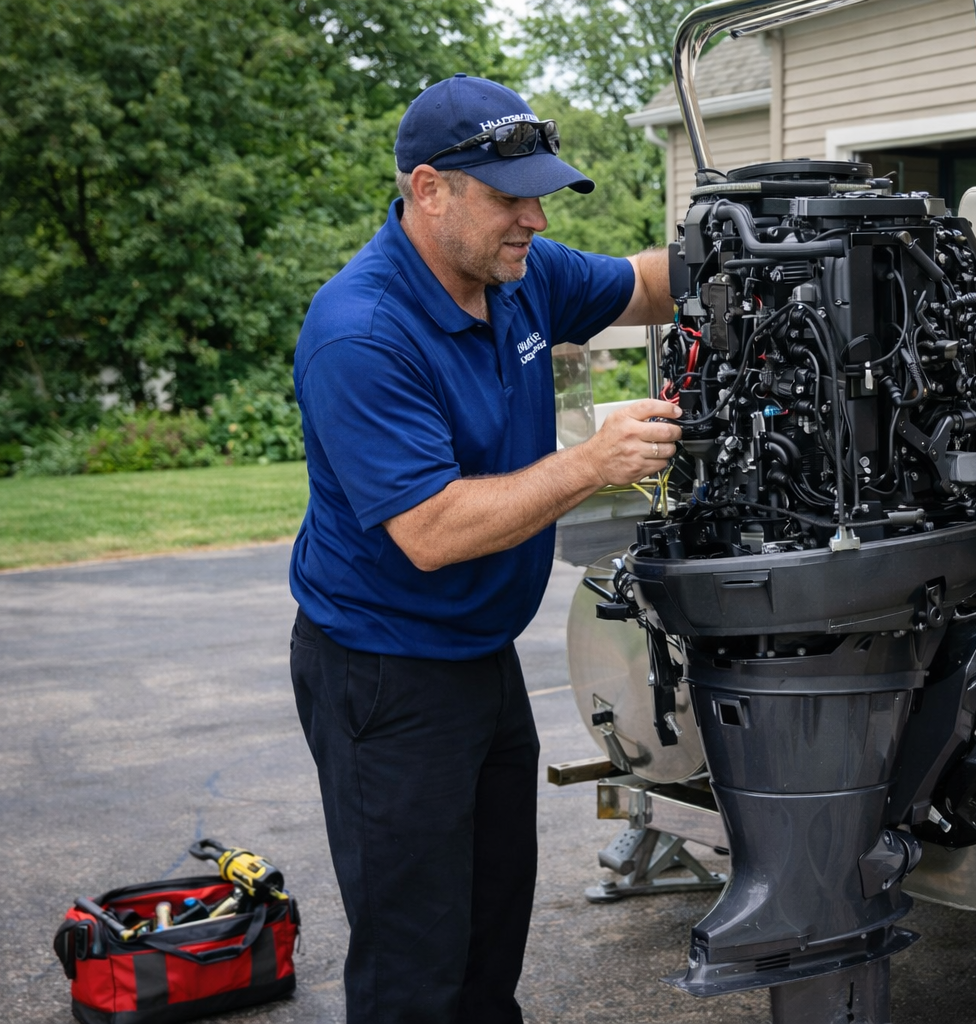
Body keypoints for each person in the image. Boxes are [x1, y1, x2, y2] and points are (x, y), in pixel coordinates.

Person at [286, 74, 678, 1024]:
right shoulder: (361, 332)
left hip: (478, 657)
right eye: (511, 198)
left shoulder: (520, 274)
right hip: (385, 670)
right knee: (416, 958)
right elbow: (431, 532)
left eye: (539, 195)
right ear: (430, 191)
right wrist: (592, 462)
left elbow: (643, 281)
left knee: (492, 927)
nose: (534, 219)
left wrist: (759, 240)